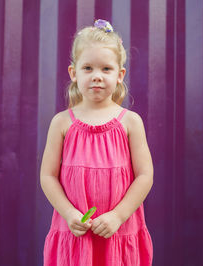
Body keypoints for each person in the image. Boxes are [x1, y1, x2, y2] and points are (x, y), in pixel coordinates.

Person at [40, 19, 153, 266]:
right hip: (76, 235)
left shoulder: (130, 122)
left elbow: (145, 176)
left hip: (117, 231)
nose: (97, 77)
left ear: (120, 75)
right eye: (88, 68)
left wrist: (117, 216)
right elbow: (47, 176)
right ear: (74, 73)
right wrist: (69, 214)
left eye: (106, 69)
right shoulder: (62, 123)